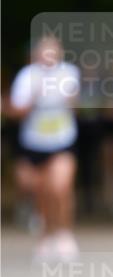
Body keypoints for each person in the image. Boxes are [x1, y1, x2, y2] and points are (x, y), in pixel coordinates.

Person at [9, 36, 80, 260]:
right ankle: (46, 236)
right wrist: (33, 98)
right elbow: (15, 111)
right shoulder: (26, 76)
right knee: (41, 191)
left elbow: (76, 105)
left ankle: (64, 234)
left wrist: (70, 99)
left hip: (62, 141)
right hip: (34, 143)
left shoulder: (69, 73)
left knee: (61, 187)